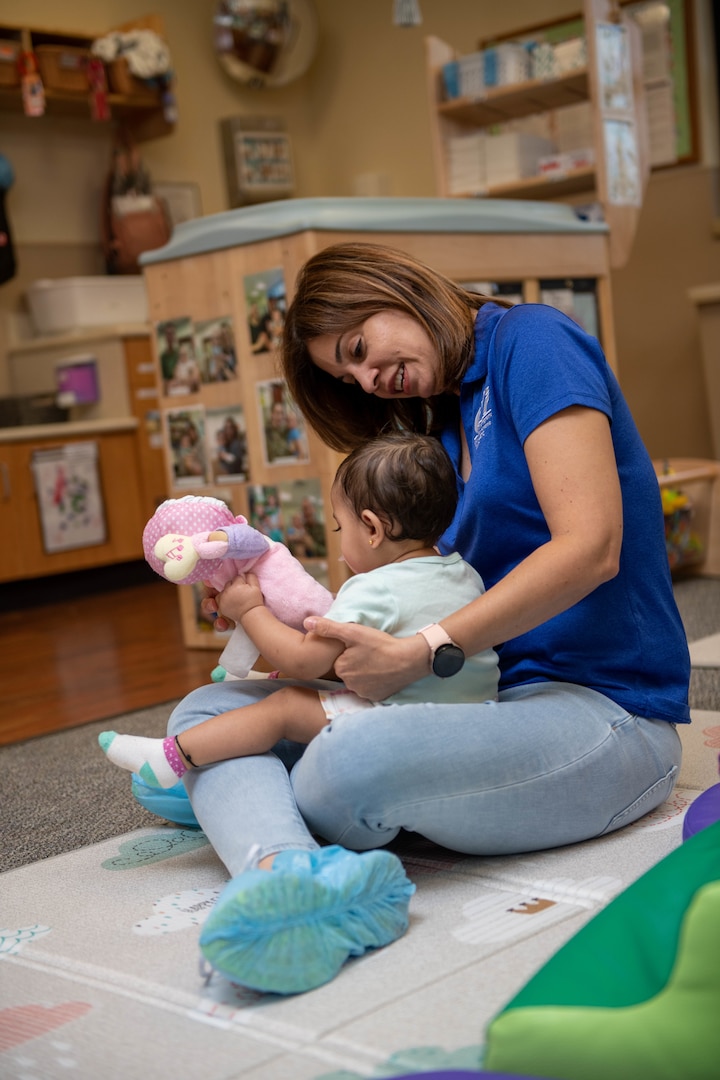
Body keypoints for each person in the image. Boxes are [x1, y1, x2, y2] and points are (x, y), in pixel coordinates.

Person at [157, 241, 690, 997]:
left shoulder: (532, 342)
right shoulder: (436, 417)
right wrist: (293, 620)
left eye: (360, 349)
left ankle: (274, 805)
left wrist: (424, 649)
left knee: (342, 764)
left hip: (609, 715)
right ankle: (286, 876)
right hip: (484, 701)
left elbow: (593, 546)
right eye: (351, 377)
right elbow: (409, 587)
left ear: (392, 290)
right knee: (207, 712)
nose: (370, 380)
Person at [99, 432, 499, 790]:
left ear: (372, 528)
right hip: (477, 722)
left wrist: (250, 609)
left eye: (341, 528)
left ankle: (175, 757)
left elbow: (307, 661)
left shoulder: (372, 588)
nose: (341, 545)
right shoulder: (465, 573)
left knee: (285, 707)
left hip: (403, 725)